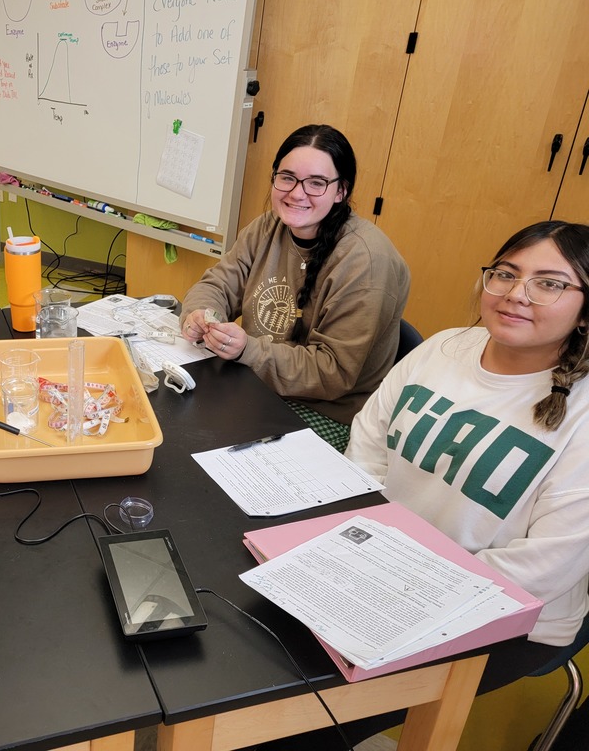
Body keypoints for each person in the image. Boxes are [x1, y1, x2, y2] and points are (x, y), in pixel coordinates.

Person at [264, 221, 589, 750]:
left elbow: (543, 569)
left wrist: (403, 588)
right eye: (505, 274)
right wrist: (367, 558)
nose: (515, 294)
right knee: (253, 648)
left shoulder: (582, 417)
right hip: (376, 568)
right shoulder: (445, 349)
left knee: (291, 725)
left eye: (549, 283)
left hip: (501, 617)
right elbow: (365, 450)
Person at [180, 124, 410, 450]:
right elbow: (219, 283)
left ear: (341, 191)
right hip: (258, 380)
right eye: (287, 177)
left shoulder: (365, 261)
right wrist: (202, 314)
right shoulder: (268, 226)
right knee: (179, 425)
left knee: (217, 458)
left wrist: (248, 350)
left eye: (316, 183)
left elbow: (332, 373)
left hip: (328, 410)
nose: (296, 193)